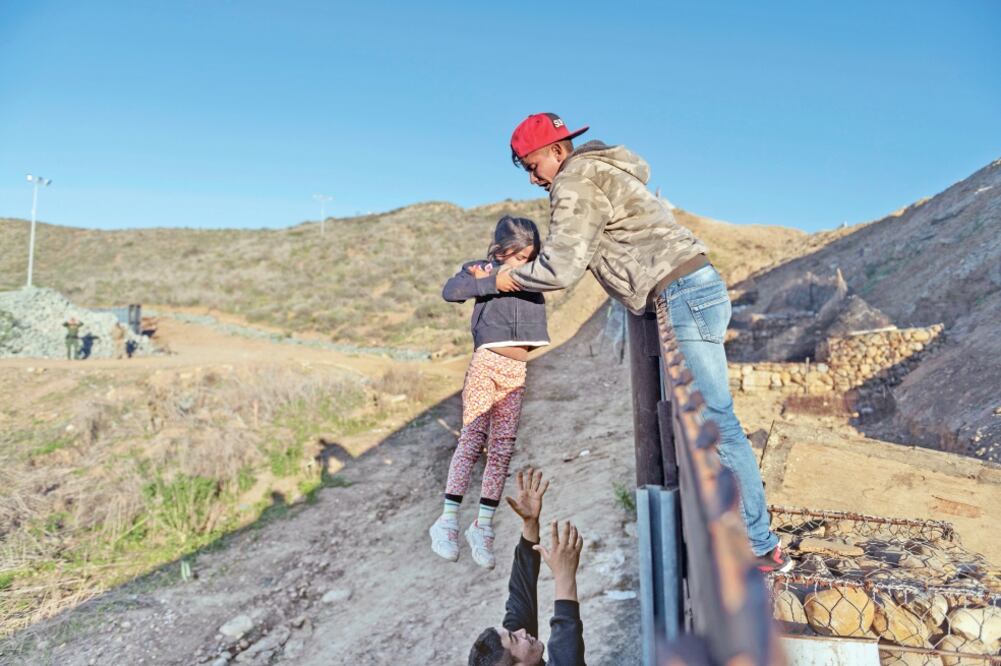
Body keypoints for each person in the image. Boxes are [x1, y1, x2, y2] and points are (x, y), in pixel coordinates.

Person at [482, 112, 790, 572]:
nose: (532, 178)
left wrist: (506, 279)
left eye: (533, 165)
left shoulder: (574, 181)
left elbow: (562, 268)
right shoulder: (599, 171)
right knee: (705, 418)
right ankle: (741, 533)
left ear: (557, 151)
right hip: (693, 288)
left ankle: (759, 546)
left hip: (682, 294)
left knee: (715, 421)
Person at [429, 216, 551, 569]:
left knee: (502, 449)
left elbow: (561, 269)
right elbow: (451, 291)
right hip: (486, 362)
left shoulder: (536, 273)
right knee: (472, 438)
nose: (524, 263)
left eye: (530, 257)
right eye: (519, 256)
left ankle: (482, 527)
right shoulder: (482, 269)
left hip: (516, 370)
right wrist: (492, 281)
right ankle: (447, 521)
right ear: (501, 250)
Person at [468, 468, 586, 666]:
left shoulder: (516, 650)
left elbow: (521, 592)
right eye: (515, 638)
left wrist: (530, 524)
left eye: (512, 633)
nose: (522, 631)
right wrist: (564, 575)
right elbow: (566, 649)